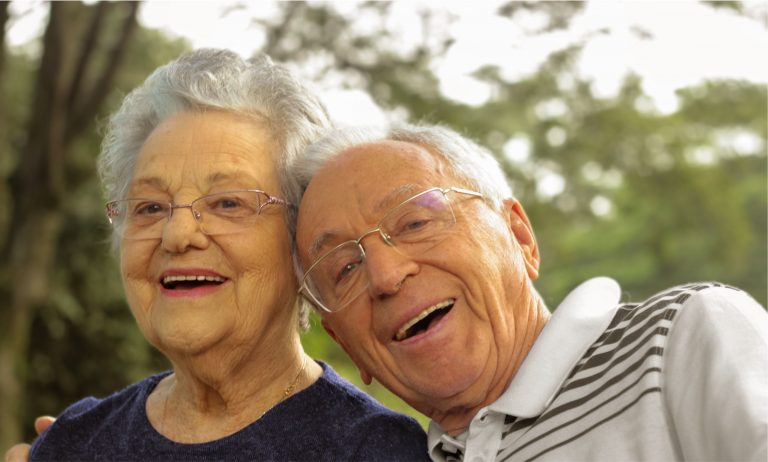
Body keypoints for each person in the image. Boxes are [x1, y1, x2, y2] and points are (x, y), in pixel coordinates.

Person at [12, 49, 429, 461]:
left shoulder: (376, 451)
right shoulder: (74, 443)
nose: (177, 235)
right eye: (150, 207)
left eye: (228, 203)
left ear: (303, 241)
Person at [289, 123, 768, 461]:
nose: (385, 276)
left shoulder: (683, 338)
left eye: (414, 222)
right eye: (345, 268)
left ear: (520, 236)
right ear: (345, 343)